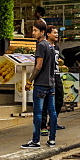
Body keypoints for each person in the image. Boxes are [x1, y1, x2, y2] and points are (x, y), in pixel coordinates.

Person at [21, 20, 59, 149]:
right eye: (33, 30)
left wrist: (29, 81)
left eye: (35, 31)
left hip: (41, 84)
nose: (33, 33)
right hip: (51, 83)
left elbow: (38, 65)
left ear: (42, 32)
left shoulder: (41, 46)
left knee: (38, 113)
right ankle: (52, 139)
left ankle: (36, 141)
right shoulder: (51, 46)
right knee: (52, 112)